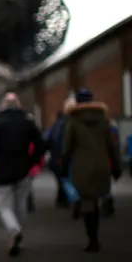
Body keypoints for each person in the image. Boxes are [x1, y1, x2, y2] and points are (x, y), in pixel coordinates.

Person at [61, 89, 121, 253]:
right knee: (95, 199)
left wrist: (63, 166)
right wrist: (116, 167)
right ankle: (95, 235)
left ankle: (93, 240)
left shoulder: (73, 121)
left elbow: (67, 147)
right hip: (101, 166)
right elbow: (112, 146)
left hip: (82, 167)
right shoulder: (104, 120)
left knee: (88, 203)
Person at [0, 93, 44, 257]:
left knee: (4, 205)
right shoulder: (27, 122)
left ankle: (13, 229)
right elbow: (40, 144)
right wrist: (31, 161)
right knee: (21, 204)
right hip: (23, 168)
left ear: (3, 105)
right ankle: (19, 234)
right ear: (18, 105)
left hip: (3, 169)